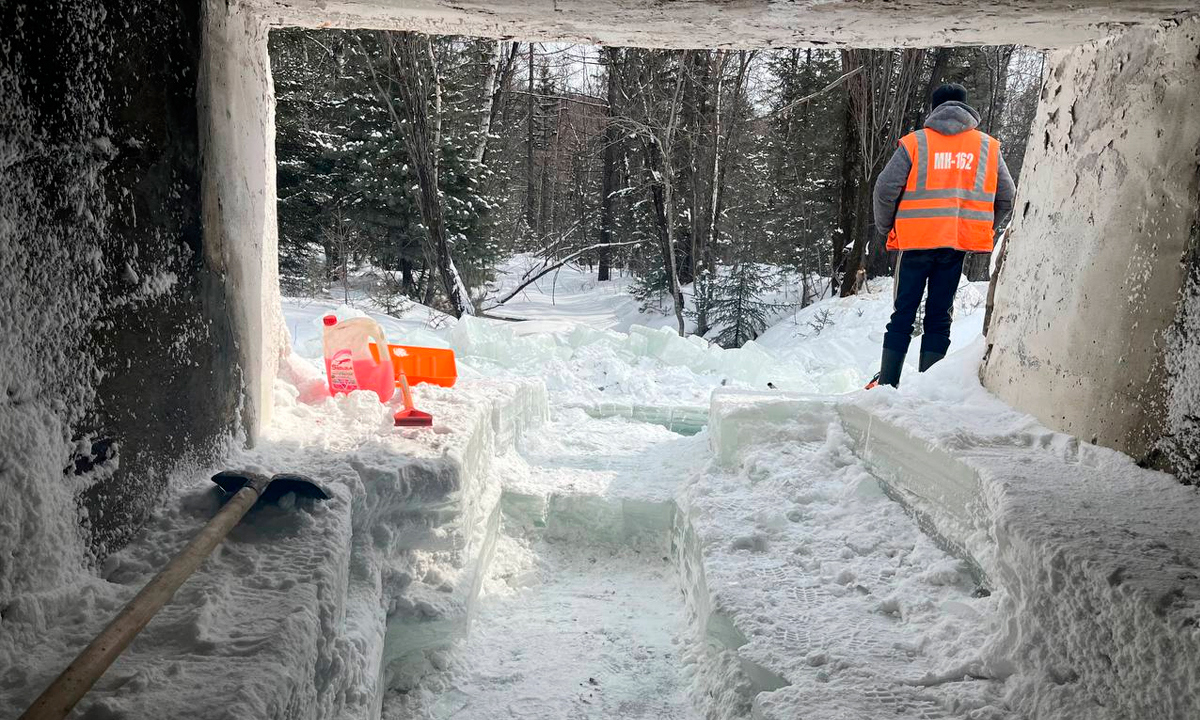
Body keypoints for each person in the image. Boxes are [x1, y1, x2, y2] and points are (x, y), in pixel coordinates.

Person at [866, 83, 1016, 389]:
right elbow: (1008, 196)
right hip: (955, 245)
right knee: (939, 317)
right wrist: (981, 226)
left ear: (934, 109)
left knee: (903, 314)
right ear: (966, 108)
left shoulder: (915, 143)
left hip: (916, 242)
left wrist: (887, 228)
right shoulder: (987, 147)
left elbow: (884, 189)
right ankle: (927, 389)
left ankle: (887, 385)